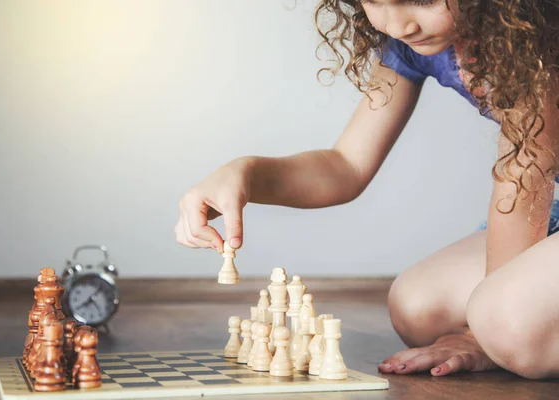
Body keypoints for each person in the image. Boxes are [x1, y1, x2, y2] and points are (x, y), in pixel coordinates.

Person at [175, 0, 559, 379]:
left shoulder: (540, 37)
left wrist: (481, 335)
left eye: (422, 0)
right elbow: (346, 165)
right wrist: (246, 174)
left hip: (531, 192)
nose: (397, 24)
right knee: (417, 307)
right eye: (375, 0)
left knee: (506, 326)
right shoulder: (412, 43)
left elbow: (523, 183)